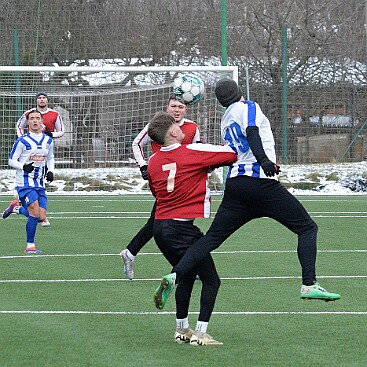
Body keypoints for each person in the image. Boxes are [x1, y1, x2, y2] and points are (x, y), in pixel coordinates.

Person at [154, 78, 341, 309]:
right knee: (307, 227)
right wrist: (264, 161)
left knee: (211, 239)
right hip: (259, 183)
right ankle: (309, 284)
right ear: (240, 91)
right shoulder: (248, 107)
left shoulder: (226, 119)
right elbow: (252, 131)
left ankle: (175, 275)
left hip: (236, 186)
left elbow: (234, 150)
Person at [147, 111, 237, 345]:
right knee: (211, 280)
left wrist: (200, 171)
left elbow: (157, 193)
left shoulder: (153, 161)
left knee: (185, 275)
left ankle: (181, 329)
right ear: (175, 131)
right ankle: (201, 333)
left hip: (159, 228)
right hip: (182, 229)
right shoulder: (190, 151)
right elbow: (230, 154)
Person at [119, 95, 201, 280]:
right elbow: (136, 143)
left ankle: (131, 254)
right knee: (166, 223)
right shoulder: (157, 126)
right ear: (167, 107)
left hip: (187, 184)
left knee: (168, 223)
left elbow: (197, 152)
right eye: (173, 106)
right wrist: (143, 166)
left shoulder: (192, 128)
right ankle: (184, 266)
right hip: (166, 183)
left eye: (180, 106)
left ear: (186, 109)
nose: (177, 110)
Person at [2, 109, 55, 254]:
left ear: (42, 121)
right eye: (32, 118)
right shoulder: (22, 141)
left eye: (38, 118)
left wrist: (50, 171)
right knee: (34, 212)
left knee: (41, 216)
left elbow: (50, 158)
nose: (35, 121)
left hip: (39, 183)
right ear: (28, 122)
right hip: (24, 182)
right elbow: (11, 160)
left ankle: (16, 208)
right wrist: (23, 166)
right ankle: (30, 246)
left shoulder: (48, 140)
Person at [16, 92, 64, 227]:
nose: (42, 100)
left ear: (47, 100)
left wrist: (51, 134)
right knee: (27, 175)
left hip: (45, 149)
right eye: (39, 98)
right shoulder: (29, 114)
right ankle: (30, 207)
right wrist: (22, 139)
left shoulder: (54, 114)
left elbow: (61, 131)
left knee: (43, 177)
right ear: (36, 100)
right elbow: (19, 126)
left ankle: (38, 212)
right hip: (30, 150)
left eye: (44, 98)